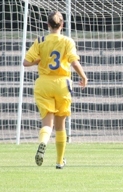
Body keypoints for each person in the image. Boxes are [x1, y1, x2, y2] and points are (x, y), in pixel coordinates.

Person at [23, 11, 88, 169]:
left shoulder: (41, 40)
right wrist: (83, 76)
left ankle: (43, 142)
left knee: (47, 124)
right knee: (60, 126)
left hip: (43, 83)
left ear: (48, 25)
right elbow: (74, 62)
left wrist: (38, 61)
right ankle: (59, 162)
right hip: (62, 84)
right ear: (62, 25)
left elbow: (26, 62)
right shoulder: (67, 41)